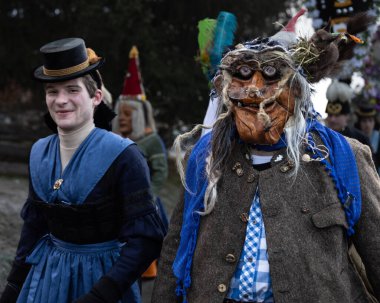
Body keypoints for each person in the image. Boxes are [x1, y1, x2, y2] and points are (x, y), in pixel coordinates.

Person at [152, 10, 380, 303]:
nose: (255, 89)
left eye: (271, 75)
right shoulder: (207, 158)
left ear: (297, 90)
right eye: (244, 75)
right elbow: (175, 248)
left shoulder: (342, 157)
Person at [0, 37, 166, 303]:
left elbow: (145, 240)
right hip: (45, 279)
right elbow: (33, 228)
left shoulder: (123, 156)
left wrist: (101, 295)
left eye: (72, 90)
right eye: (52, 91)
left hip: (103, 281)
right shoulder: (39, 153)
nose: (61, 100)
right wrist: (13, 286)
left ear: (96, 97)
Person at [113, 46, 169, 280]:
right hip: (116, 205)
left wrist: (149, 197)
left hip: (143, 205)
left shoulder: (151, 141)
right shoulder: (113, 139)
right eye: (120, 114)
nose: (123, 120)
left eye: (128, 115)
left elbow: (161, 172)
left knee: (141, 252)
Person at [325, 79, 371, 147]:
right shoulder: (322, 135)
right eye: (330, 115)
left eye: (337, 115)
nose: (332, 119)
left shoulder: (360, 139)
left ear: (347, 116)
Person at [355, 103, 380, 173]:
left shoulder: (378, 139)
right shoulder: (354, 138)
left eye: (370, 120)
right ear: (359, 122)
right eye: (364, 121)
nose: (367, 125)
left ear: (375, 122)